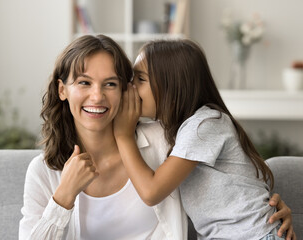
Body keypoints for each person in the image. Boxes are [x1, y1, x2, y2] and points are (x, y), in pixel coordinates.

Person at [19, 35, 294, 240]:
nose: (97, 96)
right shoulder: (44, 173)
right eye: (84, 82)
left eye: (111, 84)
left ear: (125, 90)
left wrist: (265, 213)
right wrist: (63, 197)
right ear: (62, 90)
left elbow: (225, 176)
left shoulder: (167, 140)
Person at [113, 39, 296, 239]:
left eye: (140, 79)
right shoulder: (177, 129)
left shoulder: (205, 124)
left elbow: (151, 192)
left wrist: (123, 135)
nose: (130, 88)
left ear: (172, 86)